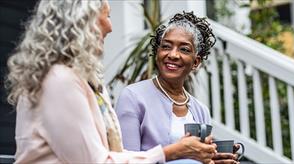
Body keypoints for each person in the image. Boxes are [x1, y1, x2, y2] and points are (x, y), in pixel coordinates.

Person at [5, 1, 216, 163]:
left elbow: (111, 155)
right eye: (106, 16)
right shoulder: (59, 80)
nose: (110, 27)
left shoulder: (83, 80)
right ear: (83, 22)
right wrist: (172, 151)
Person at [116, 11, 240, 163]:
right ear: (157, 54)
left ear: (196, 62)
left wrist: (215, 160)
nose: (173, 55)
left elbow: (200, 159)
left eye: (184, 49)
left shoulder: (200, 111)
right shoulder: (133, 97)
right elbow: (125, 160)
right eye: (166, 46)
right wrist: (178, 153)